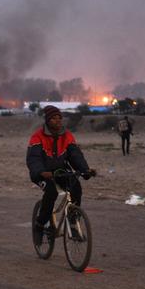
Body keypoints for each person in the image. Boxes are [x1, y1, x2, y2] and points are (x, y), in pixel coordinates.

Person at [26, 105, 95, 245]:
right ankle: (39, 226)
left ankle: (73, 223)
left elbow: (75, 156)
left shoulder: (67, 135)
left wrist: (85, 170)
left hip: (60, 172)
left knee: (76, 188)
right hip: (41, 174)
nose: (58, 121)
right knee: (51, 193)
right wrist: (41, 172)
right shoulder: (37, 137)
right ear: (47, 121)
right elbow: (33, 159)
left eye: (59, 118)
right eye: (53, 118)